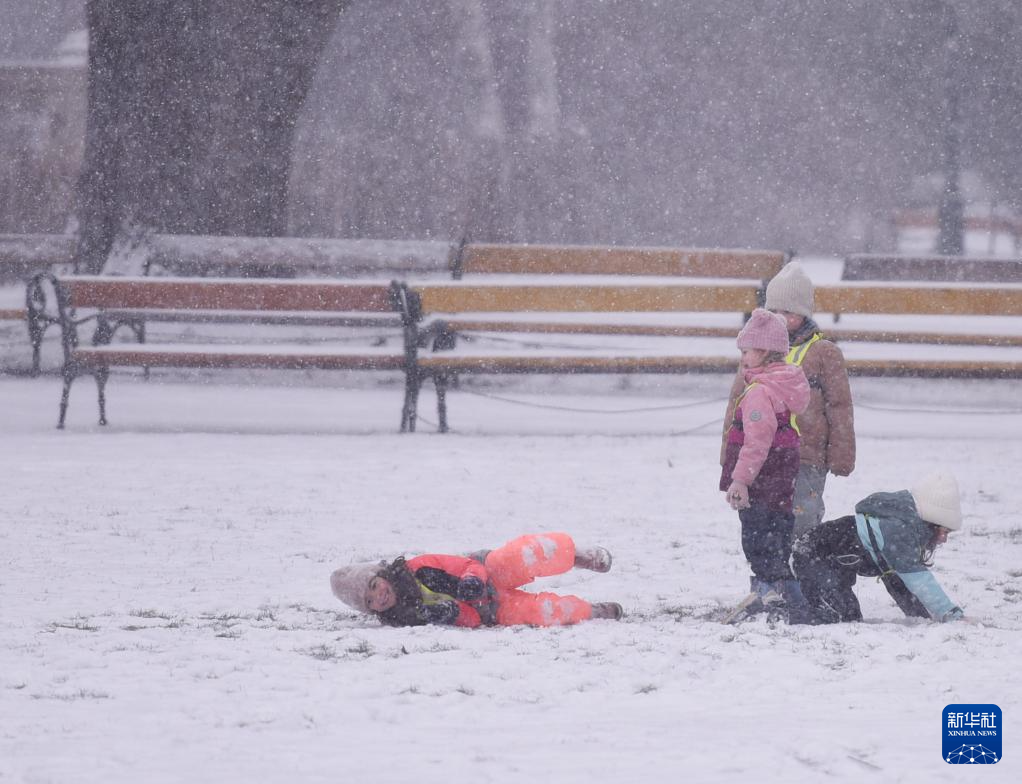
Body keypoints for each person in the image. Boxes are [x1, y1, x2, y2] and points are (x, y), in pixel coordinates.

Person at [723, 261, 856, 541]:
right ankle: (771, 573)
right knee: (764, 516)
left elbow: (839, 406)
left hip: (807, 454)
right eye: (774, 311)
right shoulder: (755, 352)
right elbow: (737, 402)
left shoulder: (823, 353)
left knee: (802, 515)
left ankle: (804, 567)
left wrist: (841, 455)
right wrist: (729, 451)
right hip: (765, 455)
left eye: (789, 312)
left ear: (804, 313)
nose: (780, 318)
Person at [719, 308, 812, 623]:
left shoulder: (759, 392)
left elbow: (756, 443)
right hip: (781, 475)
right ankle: (788, 594)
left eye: (747, 351)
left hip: (760, 476)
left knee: (757, 532)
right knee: (777, 529)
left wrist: (741, 481)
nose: (743, 357)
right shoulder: (782, 383)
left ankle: (767, 589)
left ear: (765, 352)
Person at [330, 531, 623, 627]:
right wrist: (454, 613)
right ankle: (592, 612)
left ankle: (576, 556)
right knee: (541, 613)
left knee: (526, 554)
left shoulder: (417, 568)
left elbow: (463, 564)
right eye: (370, 602)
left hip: (488, 570)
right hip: (491, 610)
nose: (378, 596)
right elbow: (471, 620)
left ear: (381, 575)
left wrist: (471, 580)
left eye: (373, 586)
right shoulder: (406, 616)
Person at [792, 470, 967, 624]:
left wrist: (921, 618)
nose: (944, 539)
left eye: (948, 533)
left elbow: (898, 582)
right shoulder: (898, 532)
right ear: (930, 523)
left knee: (850, 615)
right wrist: (950, 614)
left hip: (832, 566)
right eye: (943, 531)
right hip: (811, 554)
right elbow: (918, 580)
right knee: (836, 617)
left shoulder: (904, 533)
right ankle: (784, 613)